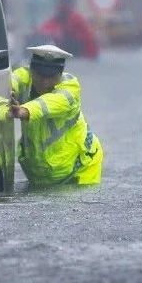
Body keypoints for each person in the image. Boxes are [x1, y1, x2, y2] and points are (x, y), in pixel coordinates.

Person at [10, 45, 103, 186]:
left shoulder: (71, 89)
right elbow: (11, 80)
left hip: (79, 172)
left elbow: (49, 103)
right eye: (40, 76)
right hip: (42, 176)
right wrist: (7, 92)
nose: (45, 83)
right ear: (32, 71)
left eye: (51, 77)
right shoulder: (25, 77)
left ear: (60, 74)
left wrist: (25, 110)